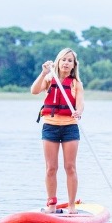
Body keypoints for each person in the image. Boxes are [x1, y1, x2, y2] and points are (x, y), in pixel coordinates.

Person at [30, 48, 84, 214]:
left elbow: (81, 104)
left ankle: (72, 206)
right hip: (50, 127)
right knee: (51, 168)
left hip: (70, 128)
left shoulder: (76, 83)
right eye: (63, 60)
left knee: (70, 167)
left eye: (70, 61)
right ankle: (52, 205)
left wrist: (78, 112)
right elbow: (34, 91)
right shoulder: (49, 77)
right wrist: (43, 72)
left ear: (74, 65)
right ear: (58, 62)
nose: (66, 63)